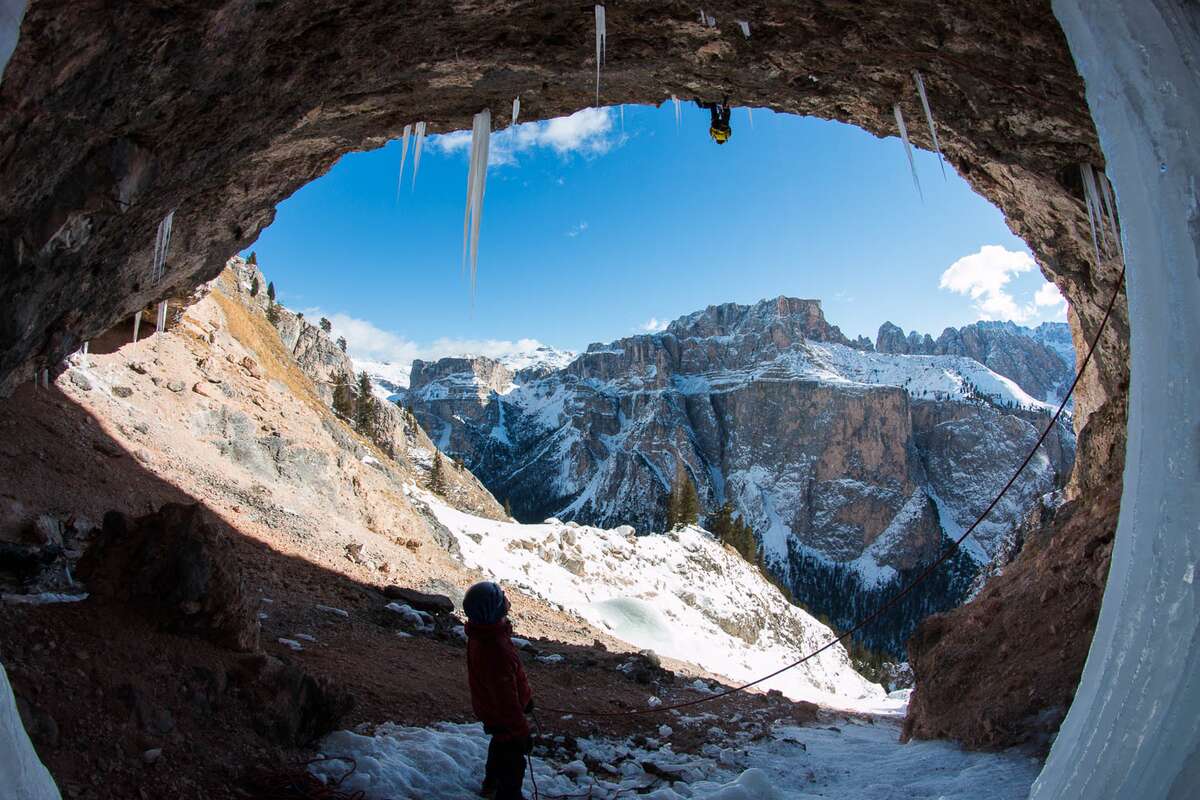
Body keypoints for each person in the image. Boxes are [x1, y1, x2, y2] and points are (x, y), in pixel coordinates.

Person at [464, 581, 534, 800]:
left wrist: (525, 700)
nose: (506, 600)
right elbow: (506, 700)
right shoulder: (496, 648)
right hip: (503, 715)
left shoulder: (483, 636)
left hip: (491, 710)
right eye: (502, 598)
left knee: (500, 745)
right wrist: (521, 731)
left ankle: (491, 784)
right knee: (513, 761)